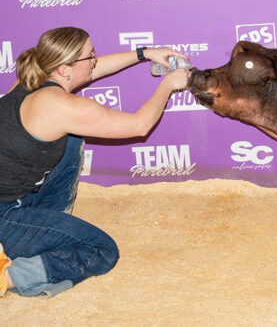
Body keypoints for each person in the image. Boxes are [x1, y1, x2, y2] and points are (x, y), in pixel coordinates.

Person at [0, 26, 189, 297]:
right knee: (101, 249)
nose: (95, 60)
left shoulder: (30, 79)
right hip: (5, 215)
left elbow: (92, 69)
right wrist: (168, 84)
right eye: (90, 56)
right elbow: (140, 125)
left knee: (71, 141)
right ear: (64, 69)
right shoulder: (58, 105)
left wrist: (145, 54)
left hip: (16, 196)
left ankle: (48, 230)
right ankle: (9, 276)